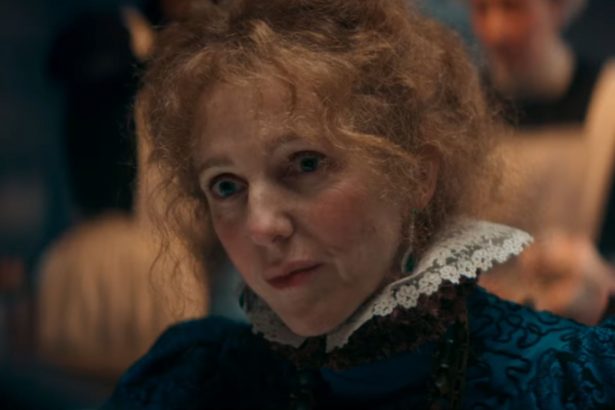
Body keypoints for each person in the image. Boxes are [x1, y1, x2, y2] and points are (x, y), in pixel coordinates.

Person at [103, 0, 615, 408]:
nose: (261, 226)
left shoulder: (564, 378)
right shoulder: (196, 384)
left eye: (305, 164)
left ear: (416, 174)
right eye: (226, 186)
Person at [467, 0, 615, 323]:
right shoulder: (462, 110)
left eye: (514, 8)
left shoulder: (608, 104)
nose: (496, 31)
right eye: (481, 10)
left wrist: (601, 282)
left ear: (557, 8)